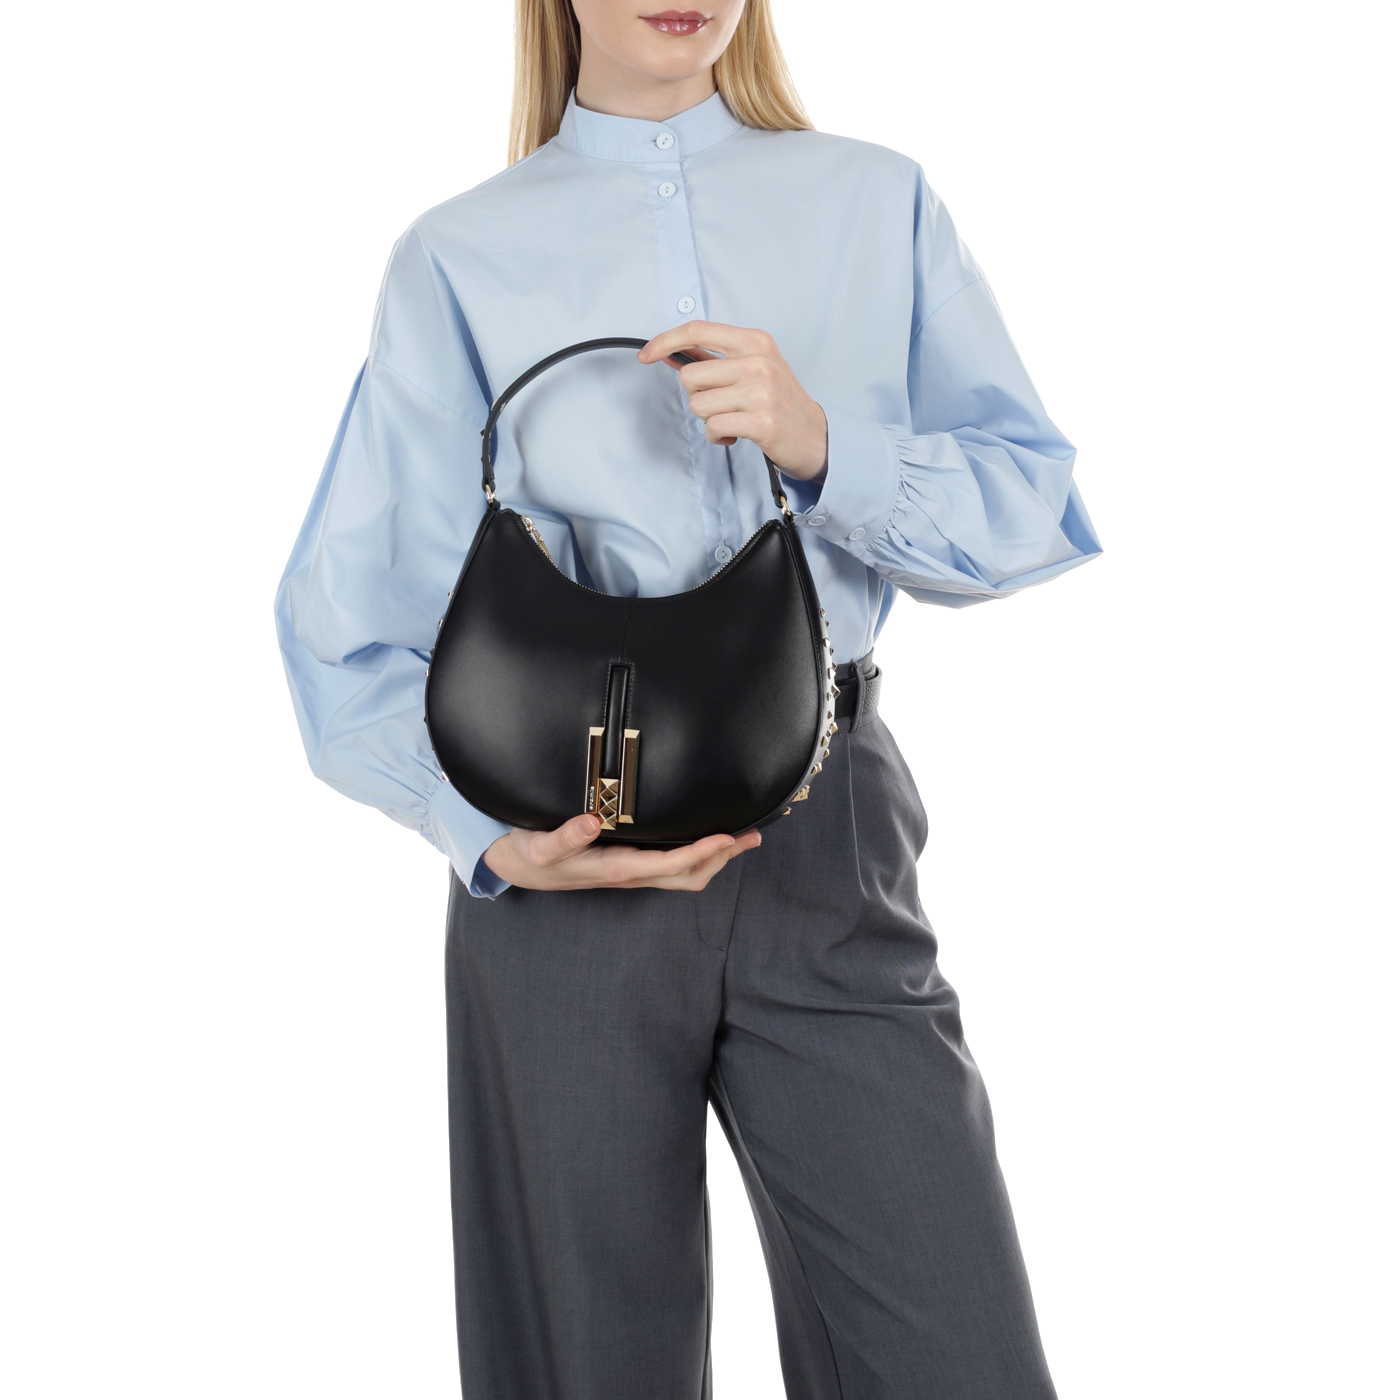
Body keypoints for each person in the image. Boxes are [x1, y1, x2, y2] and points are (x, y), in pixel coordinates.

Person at [275, 0, 1101, 1395]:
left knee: (955, 1354)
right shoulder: (459, 256)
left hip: (827, 830)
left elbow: (1036, 508)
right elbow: (346, 624)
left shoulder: (875, 201)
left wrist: (825, 442)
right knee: (582, 1367)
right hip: (563, 852)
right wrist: (485, 838)